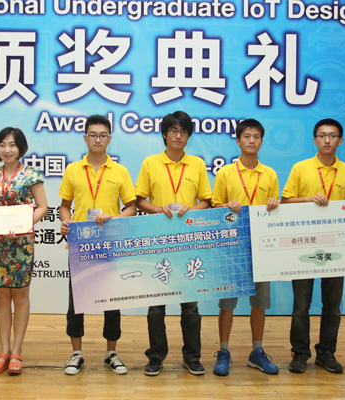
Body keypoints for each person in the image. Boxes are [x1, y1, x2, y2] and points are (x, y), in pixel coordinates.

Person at [281, 118, 345, 374]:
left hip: (336, 248)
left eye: (332, 135)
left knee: (332, 307)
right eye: (322, 135)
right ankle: (300, 354)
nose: (327, 140)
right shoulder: (300, 168)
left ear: (340, 140)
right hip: (303, 245)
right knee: (300, 306)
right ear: (315, 140)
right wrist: (308, 199)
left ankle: (326, 353)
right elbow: (285, 202)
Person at [135, 111, 212, 376]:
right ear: (164, 134)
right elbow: (139, 200)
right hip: (158, 241)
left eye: (183, 131)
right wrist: (158, 209)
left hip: (189, 242)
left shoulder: (197, 164)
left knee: (190, 306)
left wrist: (192, 209)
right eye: (173, 130)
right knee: (156, 307)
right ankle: (156, 356)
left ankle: (192, 356)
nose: (178, 136)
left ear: (188, 136)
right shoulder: (150, 163)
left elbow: (207, 200)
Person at [59, 115, 136, 375]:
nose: (97, 140)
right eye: (92, 135)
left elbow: (131, 208)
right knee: (76, 303)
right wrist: (66, 222)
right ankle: (76, 353)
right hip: (80, 245)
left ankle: (111, 352)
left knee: (112, 301)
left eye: (103, 135)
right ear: (85, 138)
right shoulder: (73, 169)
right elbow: (65, 206)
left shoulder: (120, 171)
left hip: (110, 245)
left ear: (109, 138)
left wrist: (114, 218)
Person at [211, 119, 280, 376]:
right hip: (232, 245)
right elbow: (214, 206)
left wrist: (275, 205)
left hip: (261, 245)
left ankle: (257, 352)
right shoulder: (225, 173)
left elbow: (276, 208)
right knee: (227, 303)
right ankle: (224, 351)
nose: (252, 140)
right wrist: (226, 206)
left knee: (259, 303)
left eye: (256, 137)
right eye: (247, 136)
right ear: (238, 140)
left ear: (261, 141)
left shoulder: (270, 174)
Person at [0, 128, 48, 375]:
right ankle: (3, 350)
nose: (7, 150)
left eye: (12, 145)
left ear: (21, 147)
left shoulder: (31, 174)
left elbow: (42, 207)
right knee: (1, 297)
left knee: (20, 296)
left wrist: (23, 225)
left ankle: (17, 350)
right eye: (2, 144)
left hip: (21, 244)